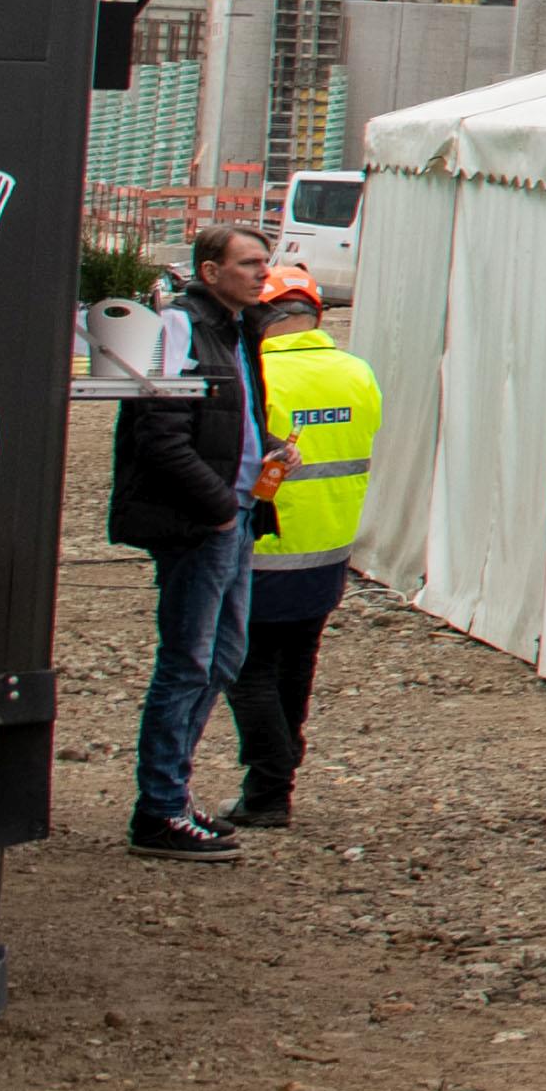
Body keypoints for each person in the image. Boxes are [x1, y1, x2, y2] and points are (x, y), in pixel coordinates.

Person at [108, 223, 282, 858]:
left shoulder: (237, 329)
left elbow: (226, 420)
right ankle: (157, 808)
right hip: (203, 525)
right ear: (210, 272)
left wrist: (266, 455)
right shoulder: (178, 328)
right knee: (187, 661)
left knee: (222, 658)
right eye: (249, 262)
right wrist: (215, 508)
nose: (264, 272)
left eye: (265, 261)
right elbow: (159, 433)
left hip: (234, 519)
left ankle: (172, 797)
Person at [225, 272, 384, 829]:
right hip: (330, 550)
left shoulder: (257, 372)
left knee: (248, 670)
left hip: (264, 552)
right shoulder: (356, 372)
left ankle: (270, 784)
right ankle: (274, 786)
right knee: (296, 665)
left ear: (262, 315)